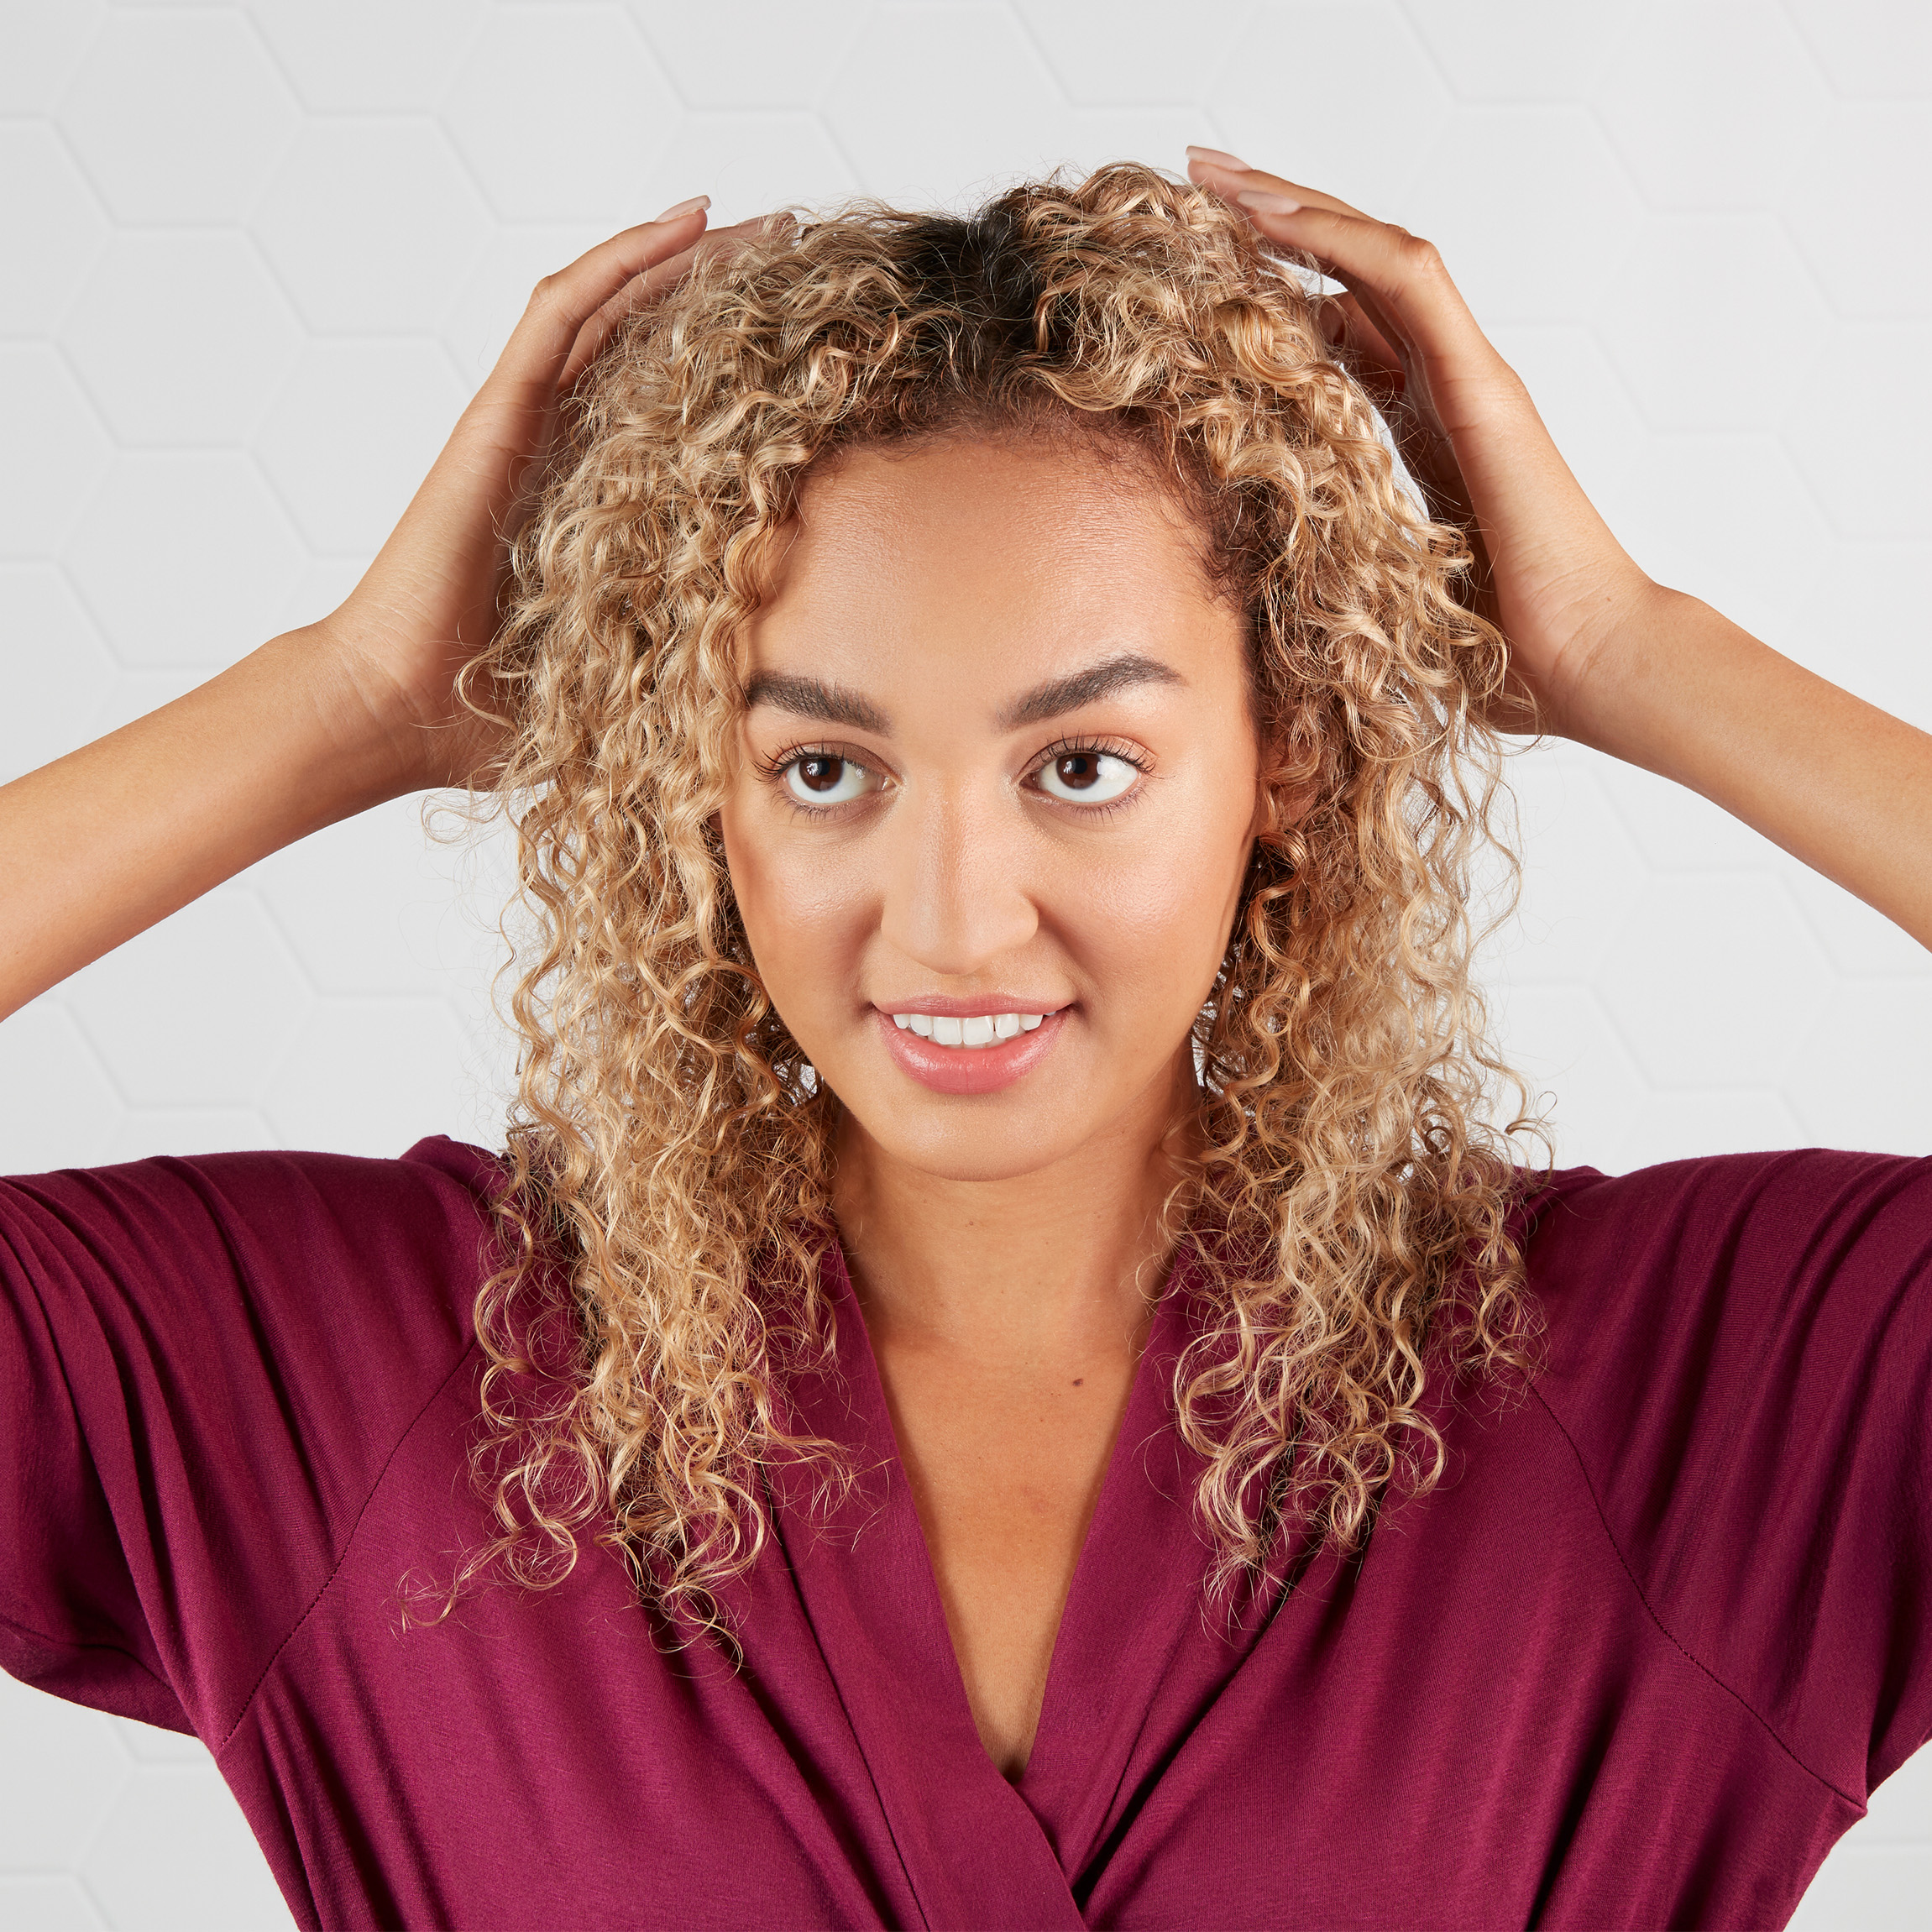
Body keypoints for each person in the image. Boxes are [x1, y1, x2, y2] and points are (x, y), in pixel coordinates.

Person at [2, 149, 1928, 1931]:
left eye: (1081, 764)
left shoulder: (1695, 1397)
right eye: (823, 766)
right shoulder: (358, 1382)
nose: (949, 914)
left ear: (1290, 758)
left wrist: (1631, 650)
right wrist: (339, 698)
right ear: (699, 789)